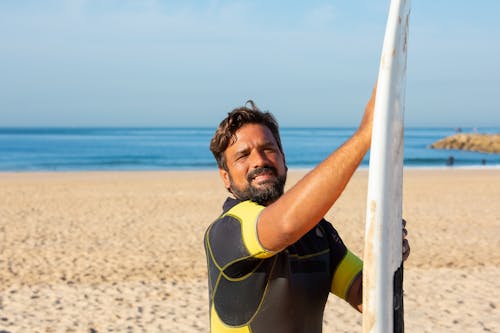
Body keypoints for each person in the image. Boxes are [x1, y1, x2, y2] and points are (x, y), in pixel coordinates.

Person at [204, 87, 410, 333]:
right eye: (243, 155)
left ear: (283, 158)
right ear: (225, 177)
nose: (259, 160)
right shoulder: (226, 231)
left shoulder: (316, 233)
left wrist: (389, 257)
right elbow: (284, 224)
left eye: (268, 149)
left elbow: (369, 297)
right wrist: (366, 135)